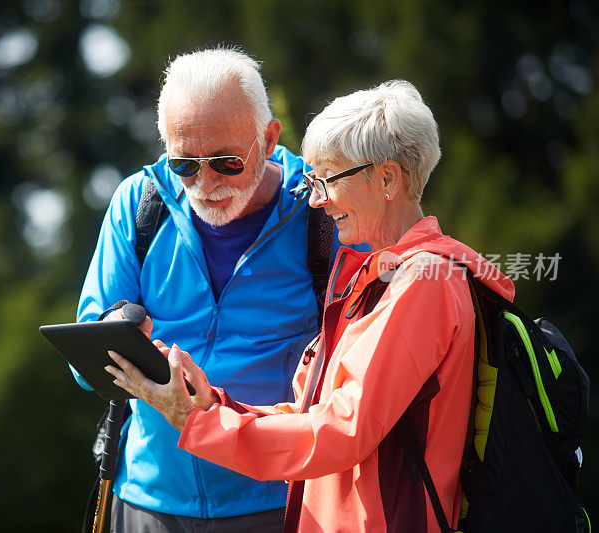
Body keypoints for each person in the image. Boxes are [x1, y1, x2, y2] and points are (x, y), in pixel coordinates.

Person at [105, 80, 517, 532]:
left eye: (326, 180)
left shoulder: (423, 283)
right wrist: (210, 406)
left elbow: (342, 430)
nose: (316, 199)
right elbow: (311, 412)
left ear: (387, 178)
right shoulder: (379, 275)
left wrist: (195, 423)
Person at [75, 47, 361, 532]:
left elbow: (369, 363)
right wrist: (113, 335)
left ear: (269, 139)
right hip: (148, 499)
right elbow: (84, 360)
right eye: (183, 164)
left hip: (282, 497)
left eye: (227, 162)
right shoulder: (137, 204)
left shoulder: (326, 214)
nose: (205, 183)